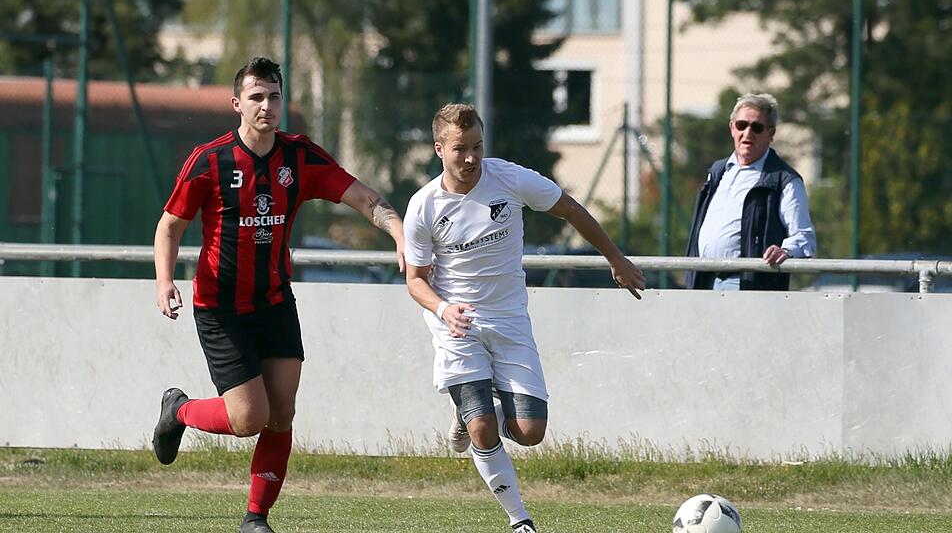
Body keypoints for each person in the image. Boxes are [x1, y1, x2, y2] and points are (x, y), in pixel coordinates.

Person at [151, 56, 404, 533]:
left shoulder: (299, 157)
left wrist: (399, 234)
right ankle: (179, 410)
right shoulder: (210, 160)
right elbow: (169, 228)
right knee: (249, 419)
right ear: (237, 104)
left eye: (273, 96)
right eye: (256, 97)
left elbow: (364, 198)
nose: (266, 105)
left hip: (274, 302)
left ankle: (256, 518)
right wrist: (165, 281)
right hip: (221, 309)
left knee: (282, 412)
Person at [403, 103, 645, 533]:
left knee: (531, 430)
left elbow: (570, 209)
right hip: (457, 324)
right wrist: (443, 308)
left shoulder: (510, 179)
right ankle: (520, 520)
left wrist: (616, 258)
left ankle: (467, 416)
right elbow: (416, 280)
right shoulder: (424, 206)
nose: (471, 158)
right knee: (482, 425)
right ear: (439, 148)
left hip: (510, 319)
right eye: (460, 149)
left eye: (477, 146)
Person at [685, 92, 816, 291]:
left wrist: (785, 251)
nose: (748, 133)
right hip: (703, 281)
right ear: (732, 128)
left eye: (757, 127)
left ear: (771, 133)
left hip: (747, 285)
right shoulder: (718, 172)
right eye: (742, 125)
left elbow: (805, 238)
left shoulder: (784, 180)